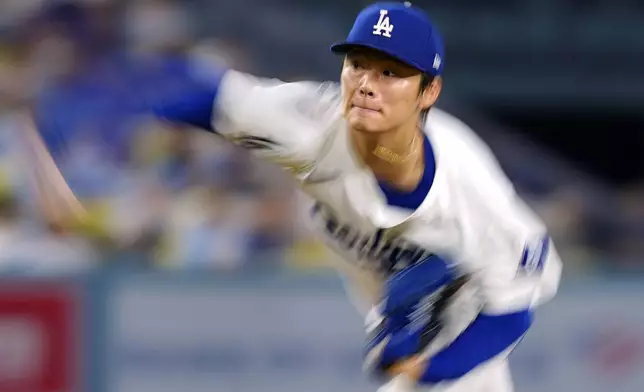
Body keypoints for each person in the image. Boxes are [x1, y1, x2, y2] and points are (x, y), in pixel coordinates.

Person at [24, 2, 562, 391]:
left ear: (429, 91)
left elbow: (512, 312)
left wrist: (423, 366)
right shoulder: (310, 123)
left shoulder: (471, 194)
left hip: (460, 331)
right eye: (358, 64)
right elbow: (201, 90)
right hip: (395, 314)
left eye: (391, 71)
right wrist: (83, 105)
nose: (367, 83)